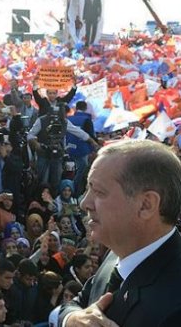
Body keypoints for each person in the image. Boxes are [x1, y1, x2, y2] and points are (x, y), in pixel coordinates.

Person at [59, 139, 181, 326]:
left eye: (98, 192)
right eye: (87, 188)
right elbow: (79, 302)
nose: (85, 203)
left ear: (146, 205)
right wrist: (73, 319)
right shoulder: (119, 252)